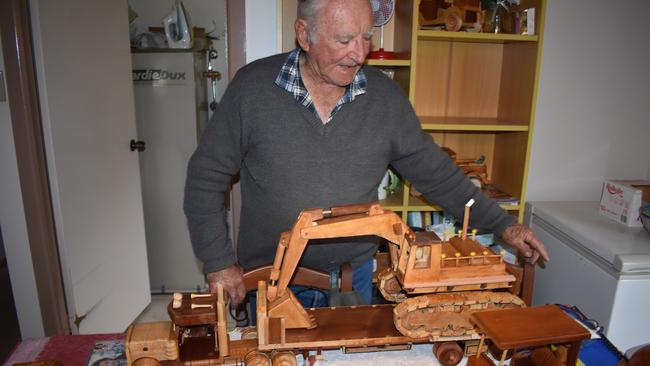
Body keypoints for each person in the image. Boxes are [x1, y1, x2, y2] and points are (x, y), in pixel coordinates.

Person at [183, 0, 549, 307]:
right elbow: (206, 177)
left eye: (366, 37)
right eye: (344, 39)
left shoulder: (384, 98)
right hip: (271, 279)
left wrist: (503, 225)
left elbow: (437, 175)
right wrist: (218, 261)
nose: (359, 53)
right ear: (304, 34)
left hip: (351, 280)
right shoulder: (252, 89)